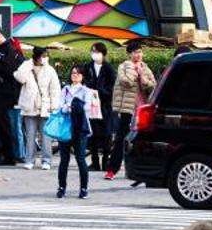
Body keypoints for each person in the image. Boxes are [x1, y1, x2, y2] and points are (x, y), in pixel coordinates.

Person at [107, 39, 157, 179]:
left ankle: (139, 171)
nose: (138, 55)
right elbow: (126, 82)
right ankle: (112, 170)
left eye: (140, 52)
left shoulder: (146, 68)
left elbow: (153, 86)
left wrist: (143, 78)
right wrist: (133, 70)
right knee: (121, 138)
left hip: (142, 110)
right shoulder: (123, 67)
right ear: (129, 54)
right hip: (127, 109)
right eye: (135, 52)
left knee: (142, 140)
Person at [57, 64, 101, 199]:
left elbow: (87, 108)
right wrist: (71, 106)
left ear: (82, 76)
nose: (75, 76)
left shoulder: (87, 91)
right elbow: (60, 107)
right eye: (73, 73)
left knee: (80, 158)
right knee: (64, 159)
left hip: (80, 128)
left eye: (78, 74)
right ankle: (61, 187)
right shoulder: (65, 90)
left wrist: (71, 106)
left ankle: (84, 188)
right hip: (65, 127)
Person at [16, 44, 61, 168]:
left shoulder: (50, 70)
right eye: (43, 56)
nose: (45, 58)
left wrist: (54, 105)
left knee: (46, 136)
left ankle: (46, 161)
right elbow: (19, 78)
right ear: (37, 57)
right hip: (30, 106)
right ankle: (29, 160)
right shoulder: (27, 67)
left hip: (45, 107)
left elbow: (55, 89)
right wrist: (28, 65)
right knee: (30, 135)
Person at [0, 25, 24, 166]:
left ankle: (8, 155)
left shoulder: (9, 48)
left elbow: (9, 70)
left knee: (3, 125)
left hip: (6, 92)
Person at [86, 42, 117, 175]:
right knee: (92, 133)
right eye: (93, 51)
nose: (95, 54)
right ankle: (94, 161)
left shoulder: (109, 68)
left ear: (103, 54)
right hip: (91, 105)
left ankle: (106, 161)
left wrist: (100, 91)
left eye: (97, 52)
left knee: (106, 134)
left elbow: (113, 88)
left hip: (105, 105)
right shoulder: (88, 67)